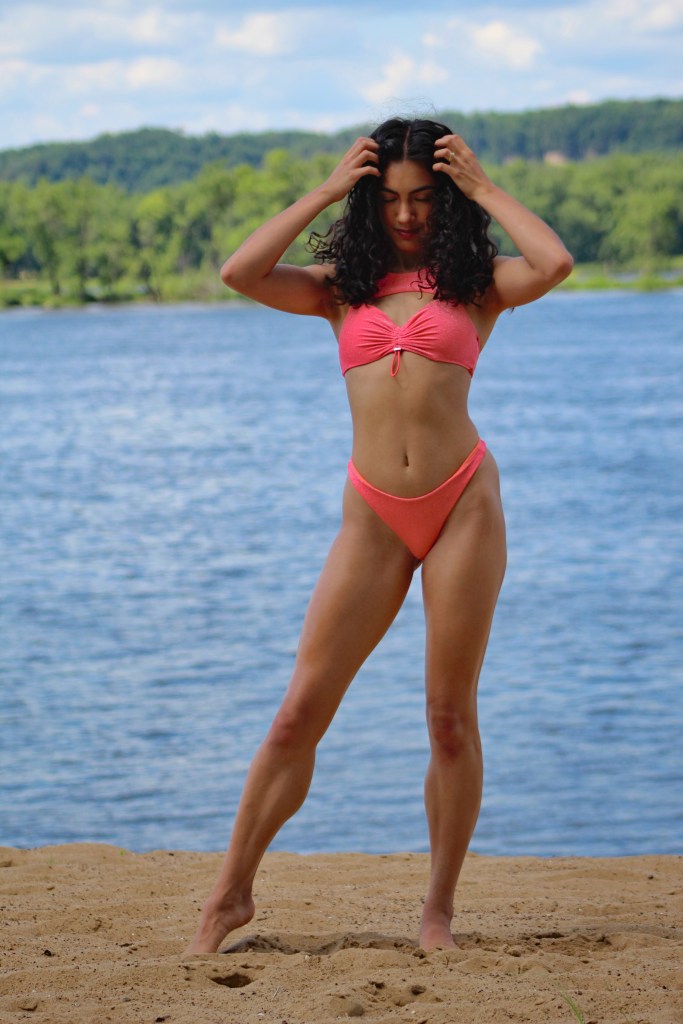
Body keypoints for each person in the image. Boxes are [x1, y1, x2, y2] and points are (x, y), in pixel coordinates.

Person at [186, 116, 573, 955]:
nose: (405, 215)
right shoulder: (339, 288)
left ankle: (436, 911)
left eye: (423, 199)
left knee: (447, 719)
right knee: (296, 715)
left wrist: (480, 184)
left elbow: (553, 263)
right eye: (390, 199)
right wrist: (327, 188)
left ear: (447, 200)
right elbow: (239, 271)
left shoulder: (476, 284)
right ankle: (228, 897)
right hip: (373, 513)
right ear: (370, 202)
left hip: (462, 501)